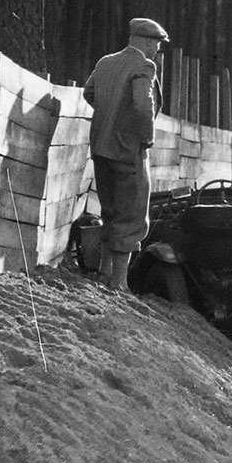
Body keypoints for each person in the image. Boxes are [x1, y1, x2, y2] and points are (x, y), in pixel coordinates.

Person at [85, 17, 167, 282]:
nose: (158, 49)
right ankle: (119, 284)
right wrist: (145, 137)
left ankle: (104, 272)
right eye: (156, 43)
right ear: (144, 41)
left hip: (100, 147)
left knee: (109, 209)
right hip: (129, 149)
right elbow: (144, 105)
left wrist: (110, 115)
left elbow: (89, 93)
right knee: (132, 214)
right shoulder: (144, 65)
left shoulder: (105, 62)